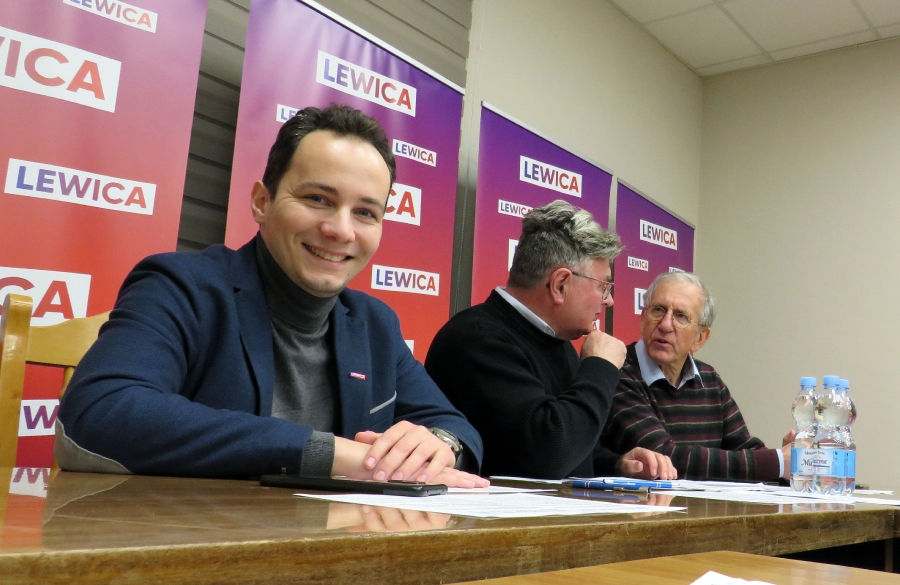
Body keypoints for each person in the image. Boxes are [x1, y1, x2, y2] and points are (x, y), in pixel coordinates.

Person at [56, 104, 487, 488]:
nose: (341, 230)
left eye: (365, 212)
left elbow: (455, 427)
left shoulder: (374, 323)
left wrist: (438, 445)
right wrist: (332, 454)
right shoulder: (180, 285)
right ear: (262, 202)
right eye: (318, 199)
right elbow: (99, 413)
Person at [425, 200, 675, 480]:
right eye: (603, 287)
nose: (609, 301)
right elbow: (547, 453)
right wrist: (600, 367)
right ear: (560, 284)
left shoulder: (556, 340)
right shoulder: (477, 339)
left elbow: (573, 450)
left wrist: (616, 464)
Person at [600, 272, 791, 481]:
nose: (665, 325)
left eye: (681, 316)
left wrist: (789, 461)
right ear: (643, 317)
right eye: (658, 310)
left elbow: (744, 448)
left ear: (700, 338)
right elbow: (664, 459)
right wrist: (777, 463)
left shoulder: (709, 379)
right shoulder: (616, 371)